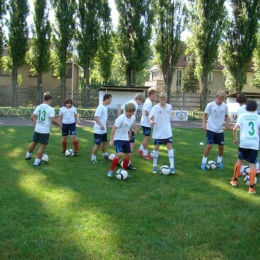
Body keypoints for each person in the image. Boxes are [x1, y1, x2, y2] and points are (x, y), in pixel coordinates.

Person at [231, 100, 260, 194]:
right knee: (253, 164)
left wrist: (235, 139)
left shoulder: (242, 116)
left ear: (246, 107)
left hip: (244, 142)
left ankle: (234, 180)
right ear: (256, 107)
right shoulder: (258, 117)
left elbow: (235, 128)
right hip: (254, 142)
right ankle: (251, 188)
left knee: (240, 160)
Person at [25, 93, 60, 166]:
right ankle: (37, 162)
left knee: (34, 142)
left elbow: (32, 117)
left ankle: (28, 156)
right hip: (45, 130)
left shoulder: (38, 107)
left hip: (37, 128)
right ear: (49, 100)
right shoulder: (50, 109)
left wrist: (37, 123)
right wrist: (60, 125)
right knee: (42, 146)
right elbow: (53, 121)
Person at [200, 91, 230, 170]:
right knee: (209, 145)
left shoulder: (225, 106)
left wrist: (227, 124)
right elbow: (204, 115)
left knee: (221, 146)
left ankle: (219, 161)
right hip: (210, 128)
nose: (221, 101)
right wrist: (204, 125)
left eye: (222, 99)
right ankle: (203, 162)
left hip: (219, 130)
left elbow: (226, 116)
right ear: (216, 97)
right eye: (220, 99)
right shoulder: (210, 105)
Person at [148, 91, 175, 174]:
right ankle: (155, 166)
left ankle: (172, 167)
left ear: (166, 99)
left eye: (164, 100)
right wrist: (151, 121)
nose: (162, 101)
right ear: (158, 99)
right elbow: (149, 117)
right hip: (158, 131)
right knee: (156, 148)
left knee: (169, 146)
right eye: (161, 100)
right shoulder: (155, 108)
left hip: (167, 131)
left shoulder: (169, 106)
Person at [107, 103, 136, 177]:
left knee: (128, 156)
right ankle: (111, 170)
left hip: (125, 139)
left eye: (133, 112)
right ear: (126, 111)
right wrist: (111, 140)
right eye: (130, 112)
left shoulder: (132, 118)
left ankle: (124, 171)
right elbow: (113, 129)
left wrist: (129, 136)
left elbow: (130, 126)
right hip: (118, 138)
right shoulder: (120, 118)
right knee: (119, 154)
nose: (131, 114)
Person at [117, 92, 145, 169]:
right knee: (131, 145)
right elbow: (132, 117)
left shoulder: (129, 102)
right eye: (141, 101)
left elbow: (119, 110)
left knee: (126, 144)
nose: (141, 103)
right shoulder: (134, 104)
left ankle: (119, 160)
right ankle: (127, 162)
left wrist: (120, 121)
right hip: (128, 127)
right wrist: (136, 126)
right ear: (139, 99)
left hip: (124, 127)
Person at [91, 93, 112, 163]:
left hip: (104, 130)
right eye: (110, 100)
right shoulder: (100, 107)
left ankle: (105, 155)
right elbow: (95, 117)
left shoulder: (105, 107)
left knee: (104, 142)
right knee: (97, 144)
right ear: (106, 99)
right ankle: (93, 158)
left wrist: (106, 121)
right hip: (98, 130)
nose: (110, 101)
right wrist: (100, 125)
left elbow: (102, 117)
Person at [137, 87, 157, 160]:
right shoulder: (148, 102)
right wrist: (151, 119)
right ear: (151, 94)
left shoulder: (149, 101)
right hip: (146, 123)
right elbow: (146, 112)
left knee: (149, 137)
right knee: (147, 138)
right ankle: (145, 154)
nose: (155, 96)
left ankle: (140, 149)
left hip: (146, 123)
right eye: (155, 95)